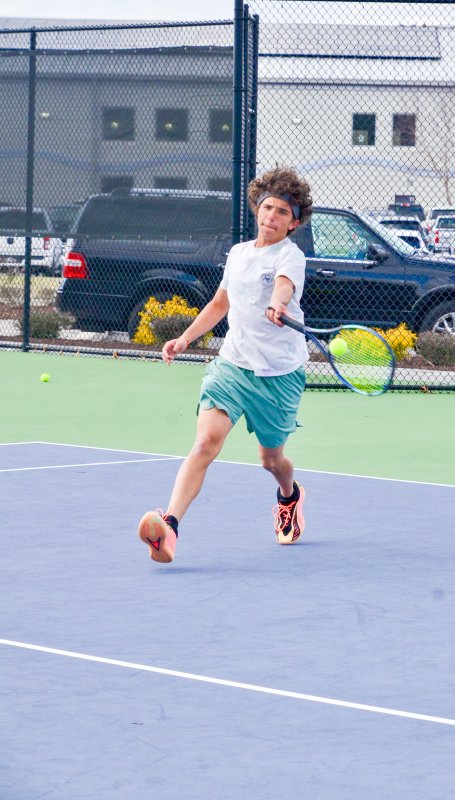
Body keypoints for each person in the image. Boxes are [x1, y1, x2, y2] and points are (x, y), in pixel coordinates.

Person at [138, 166, 313, 563]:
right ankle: (169, 528)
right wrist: (185, 338)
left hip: (279, 375)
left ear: (294, 223)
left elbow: (283, 284)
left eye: (282, 212)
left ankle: (290, 495)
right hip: (232, 366)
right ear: (257, 209)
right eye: (267, 207)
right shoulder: (237, 254)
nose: (272, 216)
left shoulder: (290, 255)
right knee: (204, 443)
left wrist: (279, 303)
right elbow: (221, 304)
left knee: (271, 460)